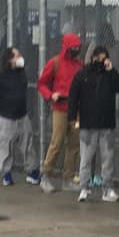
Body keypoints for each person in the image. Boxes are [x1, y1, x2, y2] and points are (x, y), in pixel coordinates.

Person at [68, 45, 119, 203]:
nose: (102, 61)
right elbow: (74, 96)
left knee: (107, 158)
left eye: (105, 58)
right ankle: (84, 188)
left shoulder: (109, 75)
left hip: (106, 123)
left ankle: (107, 189)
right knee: (86, 158)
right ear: (93, 58)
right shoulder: (83, 74)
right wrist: (72, 117)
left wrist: (112, 70)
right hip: (88, 123)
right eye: (100, 58)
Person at [0, 46, 39, 187]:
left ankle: (32, 172)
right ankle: (6, 174)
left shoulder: (21, 73)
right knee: (5, 146)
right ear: (9, 59)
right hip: (5, 117)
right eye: (16, 55)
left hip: (22, 115)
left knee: (28, 144)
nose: (20, 58)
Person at [36, 33, 83, 194]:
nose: (76, 49)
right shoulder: (55, 62)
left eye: (78, 47)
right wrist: (51, 95)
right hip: (60, 108)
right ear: (66, 48)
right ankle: (46, 176)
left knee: (74, 144)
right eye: (74, 47)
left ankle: (68, 178)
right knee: (57, 141)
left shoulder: (79, 65)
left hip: (75, 109)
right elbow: (41, 84)